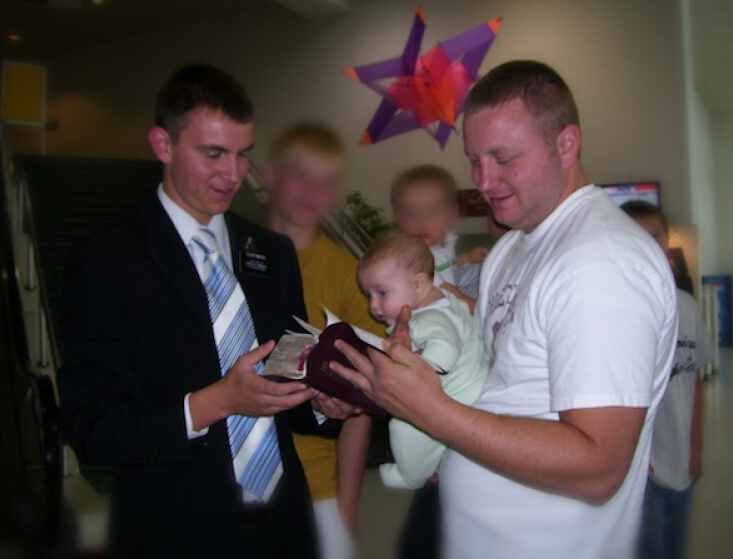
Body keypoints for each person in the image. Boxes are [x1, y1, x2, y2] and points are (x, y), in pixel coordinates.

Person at [332, 60, 678, 559]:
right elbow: (493, 386)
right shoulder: (514, 249)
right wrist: (377, 389)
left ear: (566, 144)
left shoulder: (601, 262)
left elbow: (598, 466)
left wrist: (431, 411)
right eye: (474, 159)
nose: (483, 180)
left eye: (504, 158)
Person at [58, 64, 326, 558]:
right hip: (174, 530)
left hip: (284, 528)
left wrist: (329, 399)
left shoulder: (271, 251)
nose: (234, 174)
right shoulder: (106, 262)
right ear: (163, 145)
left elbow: (291, 382)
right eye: (213, 154)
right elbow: (91, 426)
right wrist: (216, 402)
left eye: (244, 154)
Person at [263, 122, 382, 559]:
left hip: (315, 489)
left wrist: (345, 511)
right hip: (232, 489)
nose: (312, 190)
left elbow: (359, 408)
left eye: (326, 181)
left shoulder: (350, 277)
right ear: (271, 175)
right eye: (301, 174)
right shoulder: (232, 255)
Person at [357, 230, 487, 489]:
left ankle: (411, 476)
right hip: (472, 391)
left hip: (459, 398)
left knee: (404, 427)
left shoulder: (429, 320)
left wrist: (410, 369)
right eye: (369, 295)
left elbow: (443, 355)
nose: (373, 305)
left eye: (382, 293)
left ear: (417, 284)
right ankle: (435, 459)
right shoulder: (445, 301)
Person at [621, 200, 711, 559]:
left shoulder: (687, 306)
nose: (647, 244)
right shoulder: (618, 310)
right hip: (644, 473)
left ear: (666, 242)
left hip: (682, 465)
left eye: (654, 235)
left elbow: (695, 382)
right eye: (636, 236)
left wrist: (696, 447)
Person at [391, 165, 487, 310]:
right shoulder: (412, 258)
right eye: (410, 213)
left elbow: (444, 263)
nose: (421, 222)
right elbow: (448, 290)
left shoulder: (440, 243)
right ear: (397, 217)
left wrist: (467, 257)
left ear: (452, 214)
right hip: (432, 315)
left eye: (432, 212)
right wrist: (476, 308)